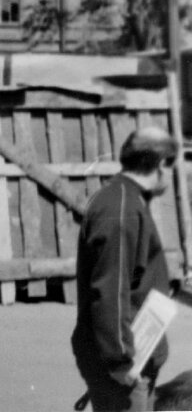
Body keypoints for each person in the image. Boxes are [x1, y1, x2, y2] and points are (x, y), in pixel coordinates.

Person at [72, 126, 178, 412]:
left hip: (133, 355)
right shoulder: (120, 210)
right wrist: (121, 361)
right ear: (160, 164)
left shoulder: (123, 199)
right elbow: (110, 291)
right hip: (124, 365)